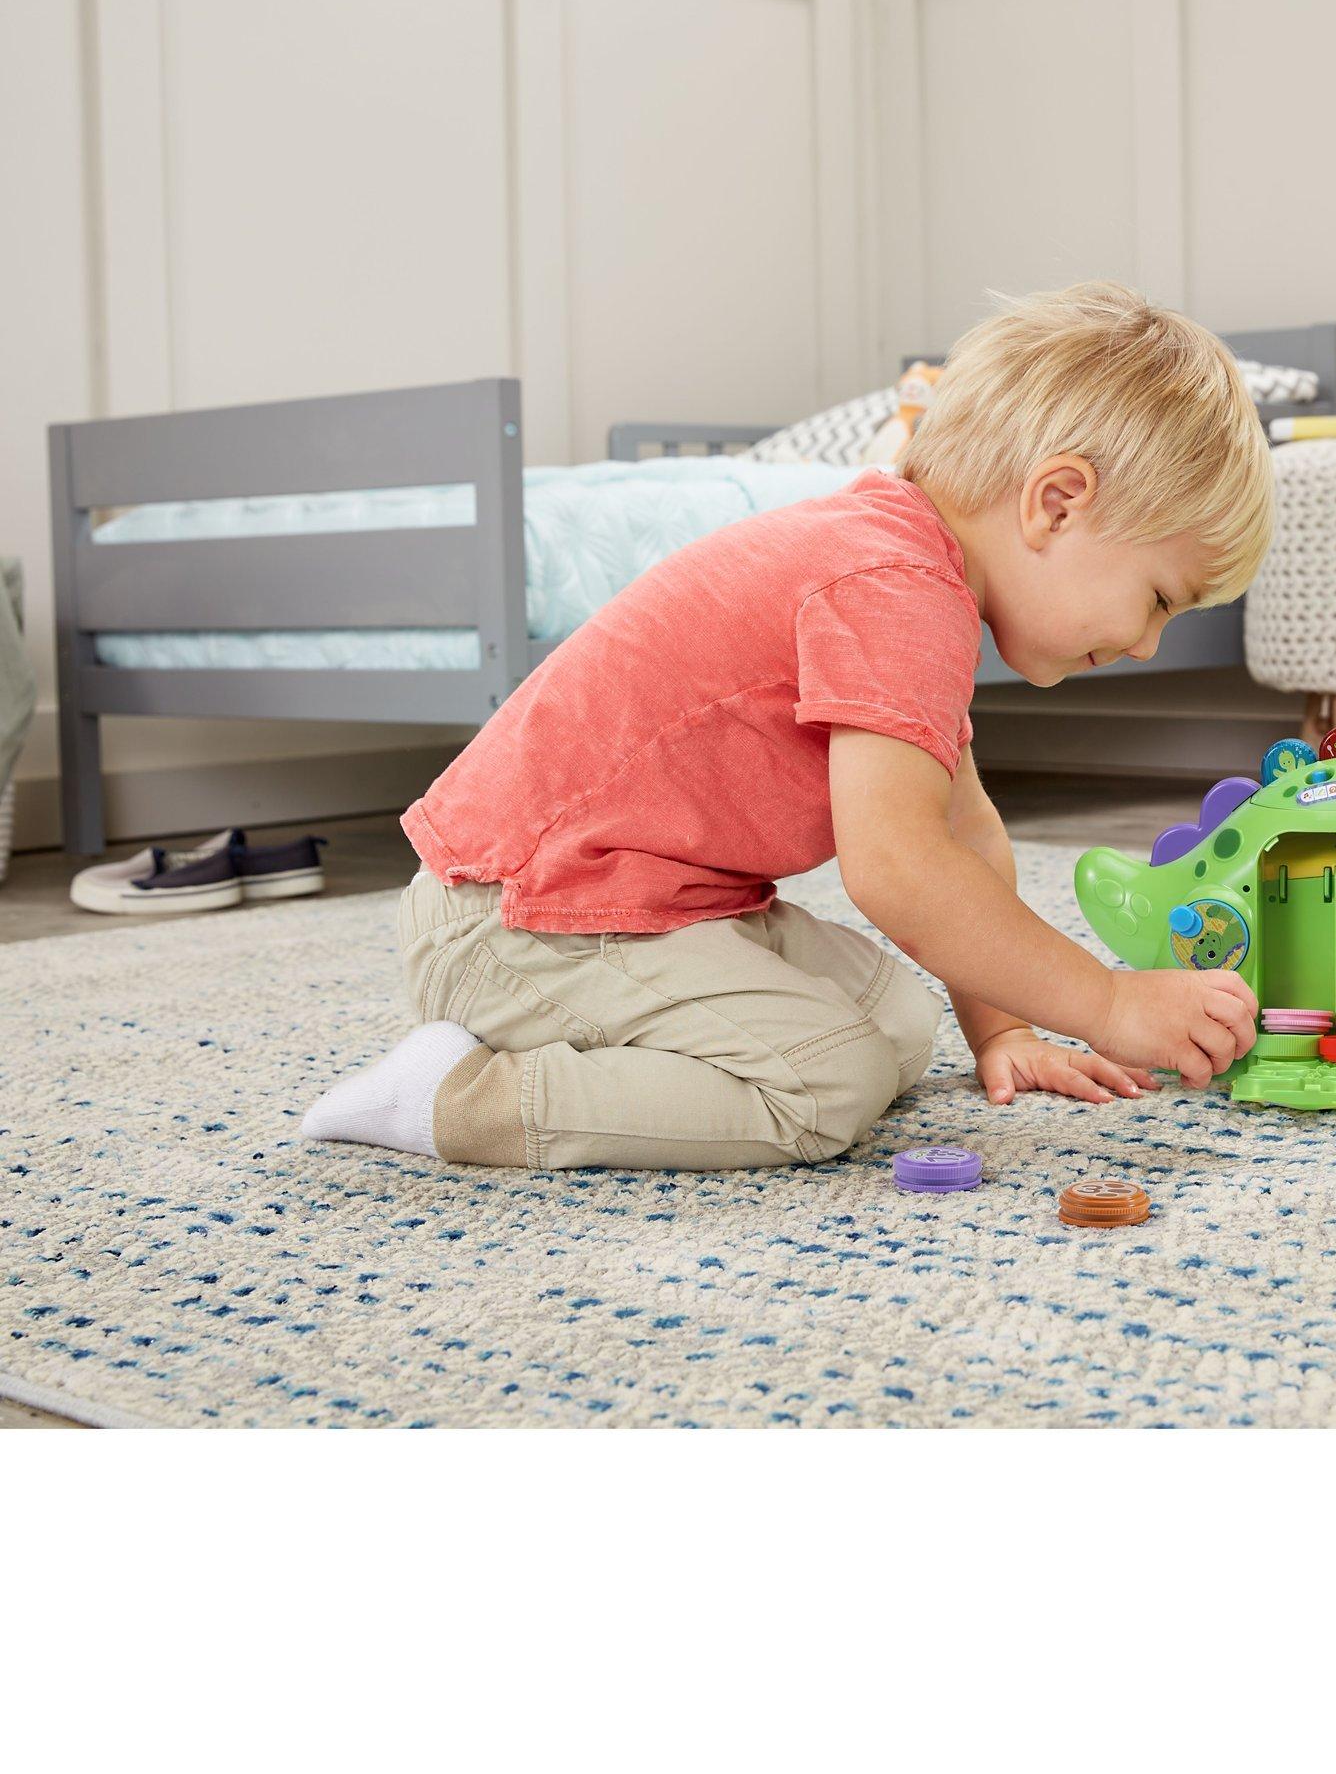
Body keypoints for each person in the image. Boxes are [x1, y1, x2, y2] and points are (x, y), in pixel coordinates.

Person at [300, 283, 1270, 1171]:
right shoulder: (897, 589)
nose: (1147, 643)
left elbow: (964, 835)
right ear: (1056, 503)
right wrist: (1105, 1003)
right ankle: (457, 1097)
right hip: (524, 915)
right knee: (827, 1083)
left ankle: (561, 1039)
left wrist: (1004, 1030)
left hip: (639, 900)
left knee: (895, 1023)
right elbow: (899, 870)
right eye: (1158, 598)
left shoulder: (903, 567)